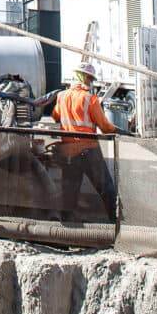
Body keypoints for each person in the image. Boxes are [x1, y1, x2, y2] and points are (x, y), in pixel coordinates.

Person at [51, 62, 119, 222]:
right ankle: (116, 224)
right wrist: (117, 130)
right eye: (90, 79)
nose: (91, 82)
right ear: (85, 78)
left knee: (69, 193)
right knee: (107, 188)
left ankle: (65, 231)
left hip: (68, 152)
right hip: (89, 151)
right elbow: (105, 126)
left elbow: (55, 116)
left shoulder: (61, 96)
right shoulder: (90, 99)